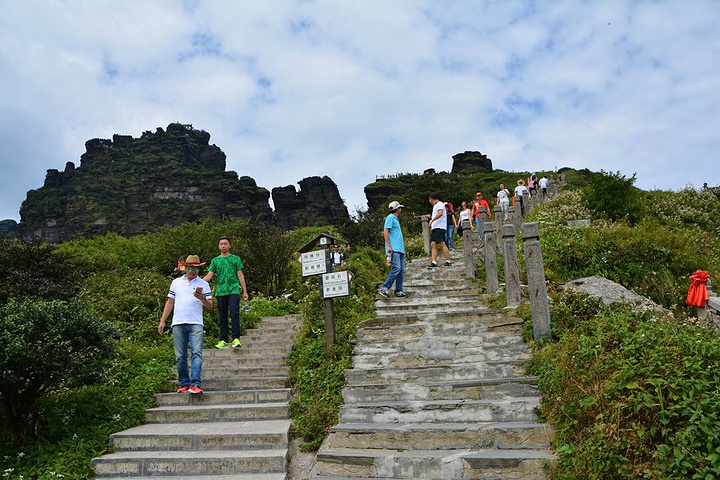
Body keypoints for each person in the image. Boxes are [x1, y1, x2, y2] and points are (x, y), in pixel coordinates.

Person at [158, 254, 213, 394]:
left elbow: (210, 305)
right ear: (185, 268)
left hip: (196, 323)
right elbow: (170, 302)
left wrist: (202, 298)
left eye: (196, 269)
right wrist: (162, 321)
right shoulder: (176, 282)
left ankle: (195, 383)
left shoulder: (204, 284)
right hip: (178, 322)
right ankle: (184, 383)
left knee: (196, 353)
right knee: (180, 355)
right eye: (190, 268)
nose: (192, 271)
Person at [203, 236, 248, 349]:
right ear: (219, 246)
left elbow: (240, 275)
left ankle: (236, 338)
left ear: (229, 245)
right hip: (221, 291)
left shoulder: (235, 259)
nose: (223, 246)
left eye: (225, 244)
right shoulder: (215, 260)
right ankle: (223, 340)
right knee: (222, 316)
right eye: (221, 244)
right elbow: (209, 275)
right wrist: (196, 282)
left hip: (233, 289)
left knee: (234, 313)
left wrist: (245, 291)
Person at [379, 201, 408, 298]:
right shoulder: (390, 217)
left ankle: (398, 290)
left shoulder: (395, 219)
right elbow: (385, 231)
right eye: (400, 208)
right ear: (397, 209)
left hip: (400, 249)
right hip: (394, 249)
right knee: (396, 268)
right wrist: (389, 246)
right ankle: (385, 287)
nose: (401, 210)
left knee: (401, 270)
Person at [427, 193, 452, 268]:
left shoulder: (440, 204)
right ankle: (434, 262)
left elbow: (440, 213)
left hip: (439, 227)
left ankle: (448, 261)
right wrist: (431, 217)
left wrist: (432, 220)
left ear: (431, 199)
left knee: (442, 243)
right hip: (435, 227)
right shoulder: (435, 206)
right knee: (433, 244)